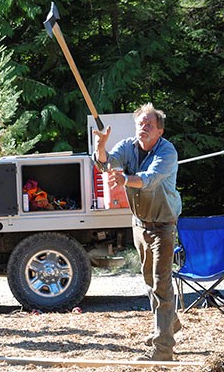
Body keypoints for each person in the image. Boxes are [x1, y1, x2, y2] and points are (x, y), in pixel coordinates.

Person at [92, 103, 182, 361]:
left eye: (149, 125)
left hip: (163, 226)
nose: (143, 128)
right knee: (149, 282)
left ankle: (163, 349)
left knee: (161, 285)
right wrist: (101, 145)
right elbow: (105, 164)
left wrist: (124, 180)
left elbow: (149, 180)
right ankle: (169, 323)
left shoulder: (167, 152)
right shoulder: (128, 146)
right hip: (140, 224)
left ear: (159, 131)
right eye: (140, 124)